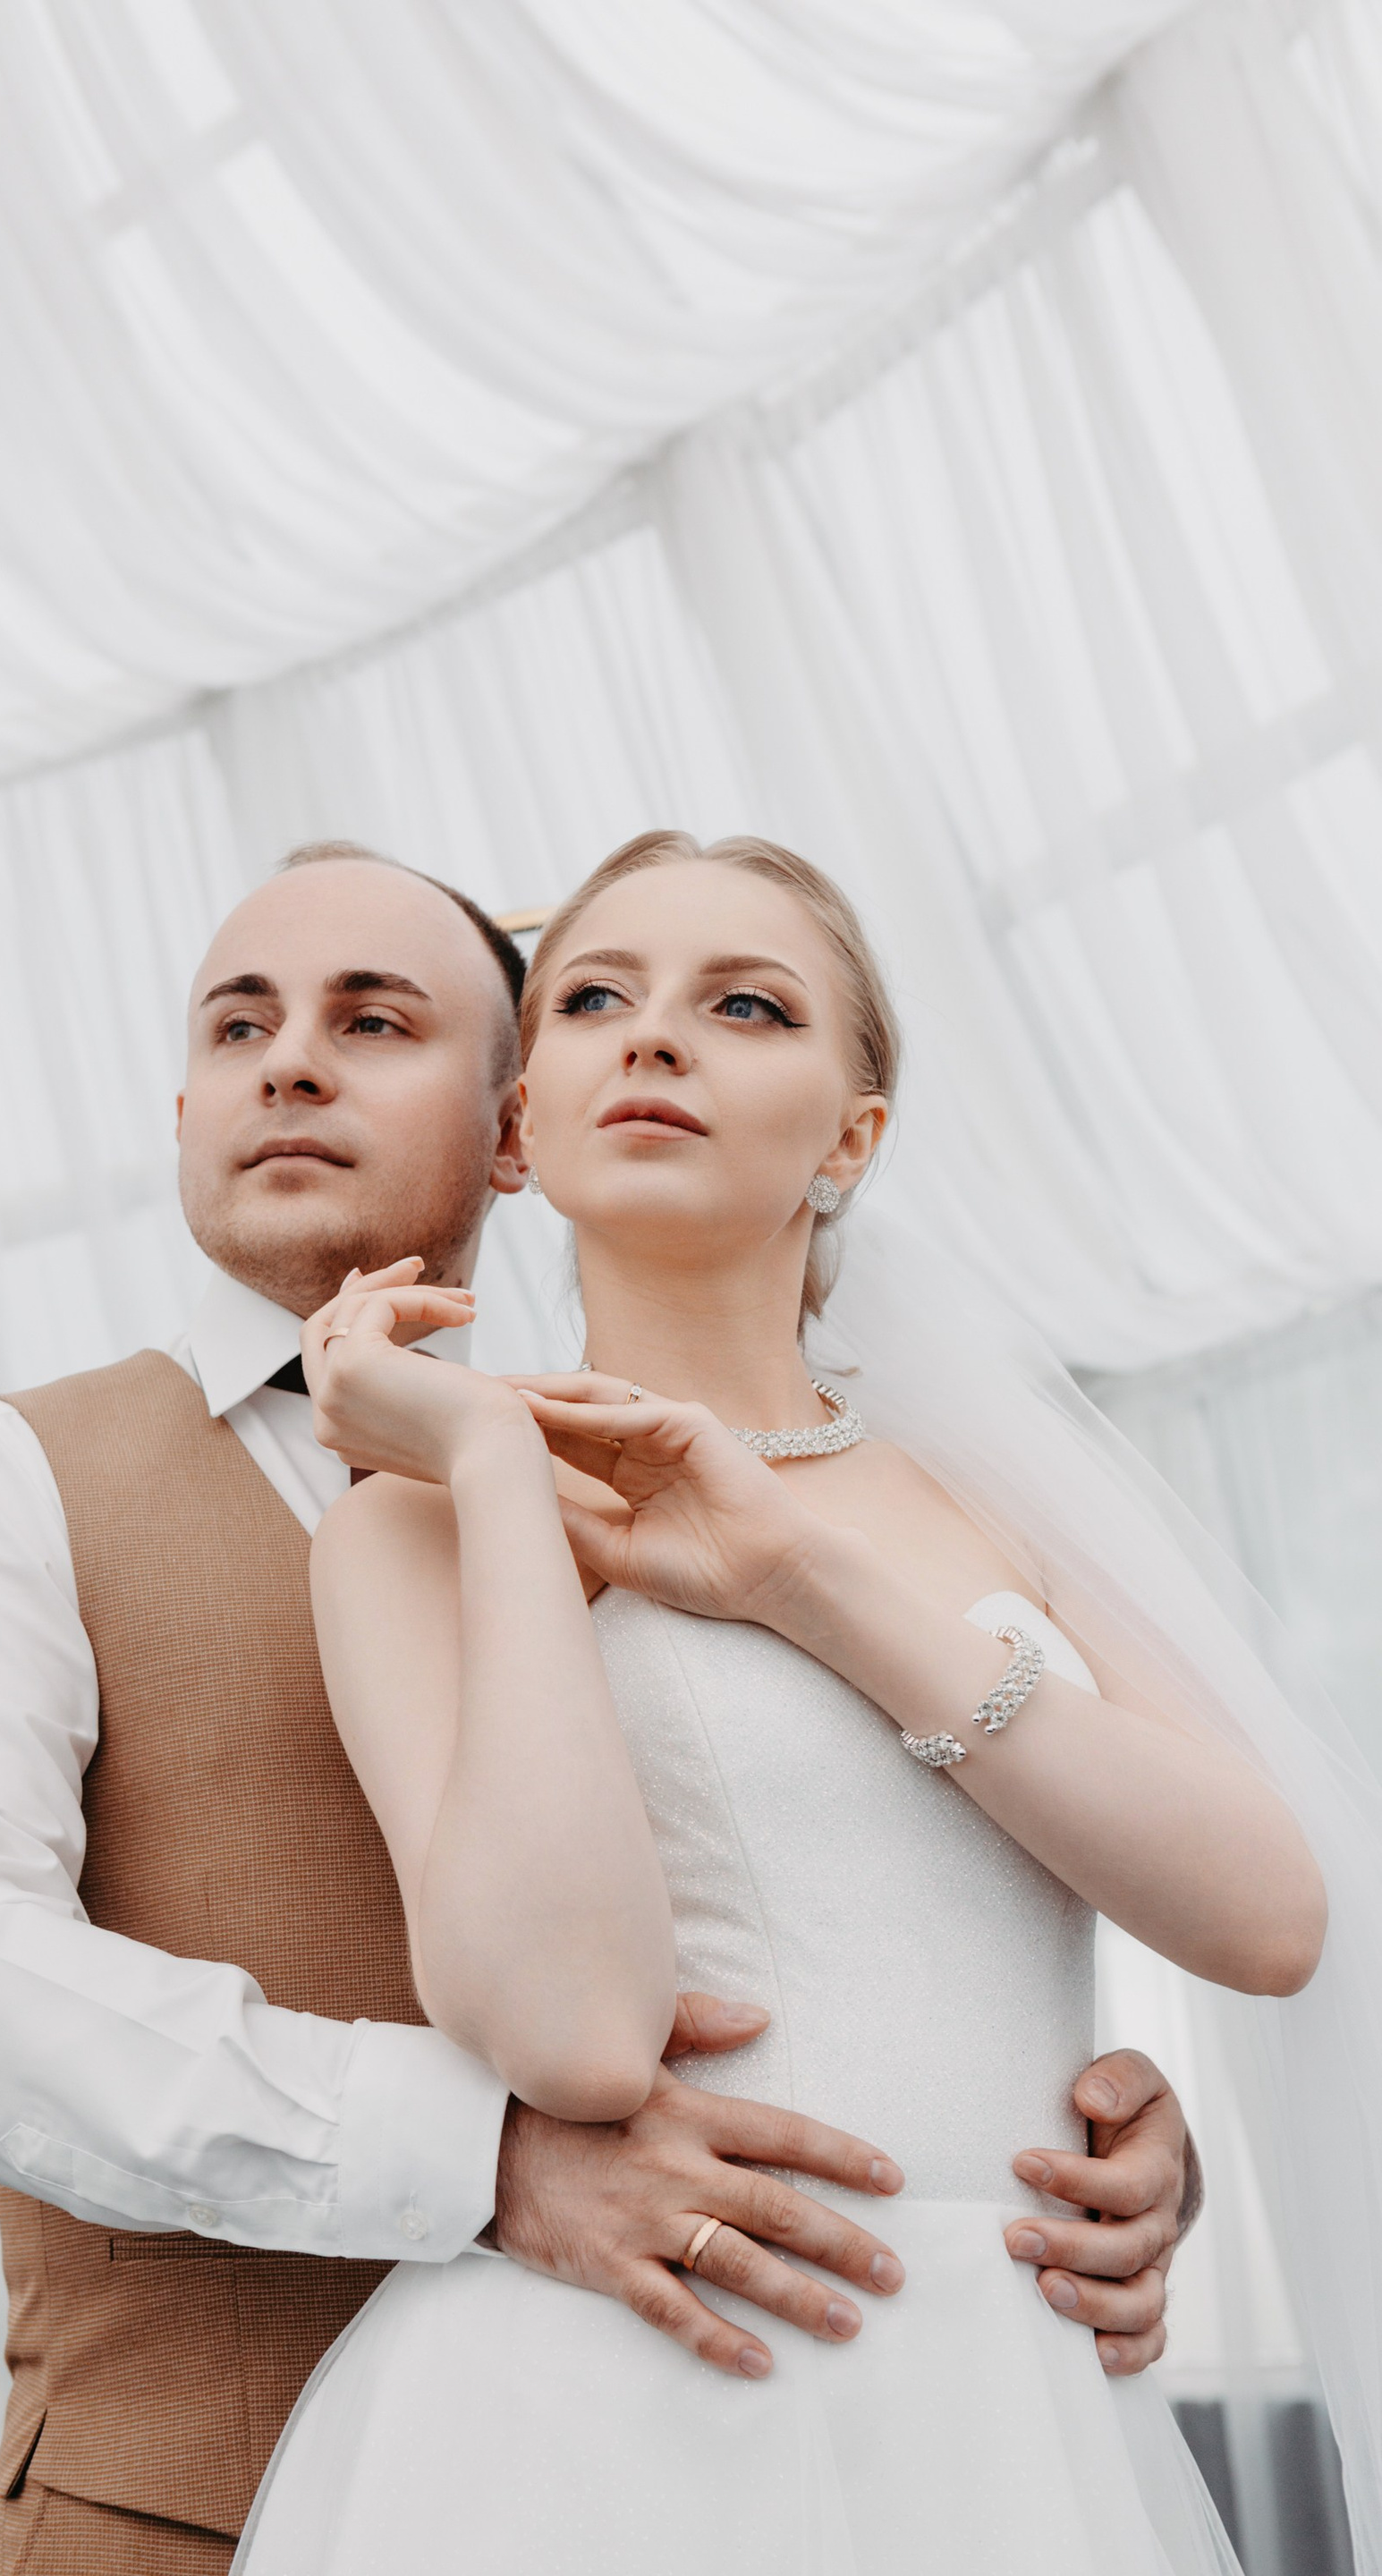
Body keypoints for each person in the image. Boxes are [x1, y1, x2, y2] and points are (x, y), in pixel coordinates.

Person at [0, 843, 1201, 2576]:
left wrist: (1084, 2131)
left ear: (514, 1127)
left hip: (781, 2465)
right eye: (239, 1025)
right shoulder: (16, 1472)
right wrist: (481, 2156)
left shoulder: (674, 1484)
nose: (291, 1063)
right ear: (180, 1112)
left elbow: (851, 1874)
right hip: (185, 2511)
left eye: (374, 1022)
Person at [235, 831, 1328, 2575]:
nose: (658, 1036)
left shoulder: (1000, 1496)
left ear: (852, 1139)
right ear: (522, 1129)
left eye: (745, 1005)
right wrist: (497, 1463)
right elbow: (574, 2037)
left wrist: (799, 1579)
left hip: (1007, 2414)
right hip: (607, 2420)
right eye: (596, 1000)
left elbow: (1269, 1921)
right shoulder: (415, 1524)